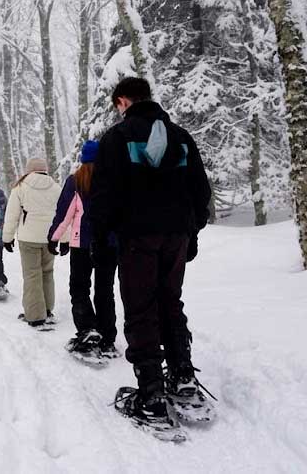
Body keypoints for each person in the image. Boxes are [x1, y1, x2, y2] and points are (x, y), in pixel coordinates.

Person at [90, 77, 211, 430]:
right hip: (176, 235)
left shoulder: (116, 139)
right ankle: (183, 378)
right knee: (170, 302)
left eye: (117, 104)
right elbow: (200, 190)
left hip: (136, 237)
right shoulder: (181, 136)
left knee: (141, 307)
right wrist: (192, 231)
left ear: (123, 101)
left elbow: (103, 197)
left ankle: (152, 394)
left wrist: (101, 241)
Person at [49, 140, 117, 360]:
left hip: (83, 244)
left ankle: (87, 330)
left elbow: (64, 214)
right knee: (105, 290)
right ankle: (107, 338)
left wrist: (54, 237)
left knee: (79, 288)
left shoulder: (76, 181)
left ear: (83, 159)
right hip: (109, 244)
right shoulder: (113, 180)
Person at [2, 158, 61, 328]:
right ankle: (48, 310)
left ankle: (35, 315)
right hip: (50, 237)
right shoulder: (56, 188)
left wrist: (7, 238)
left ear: (29, 170)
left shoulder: (21, 187)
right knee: (47, 273)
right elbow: (63, 213)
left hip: (28, 238)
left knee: (32, 275)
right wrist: (63, 239)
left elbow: (12, 214)